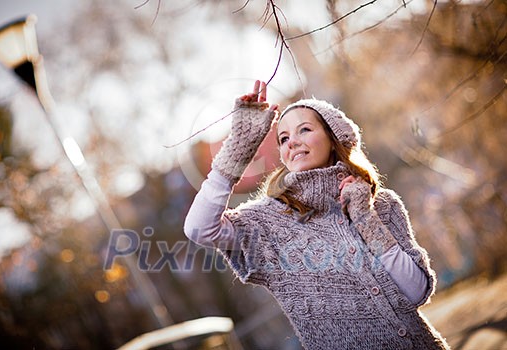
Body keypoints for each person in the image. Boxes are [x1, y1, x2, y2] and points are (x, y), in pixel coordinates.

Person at [184, 80, 450, 349]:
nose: (293, 142)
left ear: (333, 138)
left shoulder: (381, 205)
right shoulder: (267, 223)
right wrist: (237, 151)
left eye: (305, 129)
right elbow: (199, 229)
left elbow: (416, 293)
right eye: (284, 138)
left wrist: (364, 219)